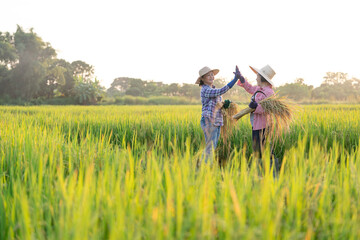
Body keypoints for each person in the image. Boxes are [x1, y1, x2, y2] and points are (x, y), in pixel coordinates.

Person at [235, 65, 277, 171]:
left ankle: (271, 170)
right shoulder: (259, 88)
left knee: (264, 148)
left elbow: (268, 108)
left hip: (264, 125)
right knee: (257, 148)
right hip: (256, 125)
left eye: (257, 76)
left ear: (262, 78)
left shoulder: (269, 92)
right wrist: (242, 78)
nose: (256, 78)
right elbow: (250, 88)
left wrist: (256, 107)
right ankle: (260, 171)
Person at [196, 66, 238, 166]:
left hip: (217, 120)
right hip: (209, 120)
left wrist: (225, 104)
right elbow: (221, 91)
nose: (211, 77)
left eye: (212, 75)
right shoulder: (205, 89)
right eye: (208, 75)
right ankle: (202, 167)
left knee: (212, 146)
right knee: (210, 147)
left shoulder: (212, 89)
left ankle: (206, 167)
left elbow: (217, 104)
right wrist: (235, 80)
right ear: (202, 78)